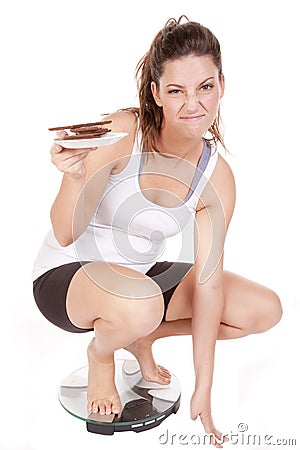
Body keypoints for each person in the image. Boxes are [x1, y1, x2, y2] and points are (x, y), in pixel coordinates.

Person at [32, 17, 282, 446]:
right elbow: (64, 231)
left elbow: (208, 288)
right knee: (142, 300)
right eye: (176, 91)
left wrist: (205, 386)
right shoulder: (124, 134)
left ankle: (141, 335)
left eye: (204, 87)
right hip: (69, 275)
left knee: (262, 309)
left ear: (222, 84)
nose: (193, 104)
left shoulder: (216, 178)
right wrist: (73, 178)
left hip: (140, 283)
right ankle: (102, 353)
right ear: (155, 94)